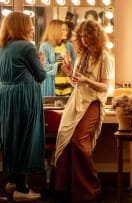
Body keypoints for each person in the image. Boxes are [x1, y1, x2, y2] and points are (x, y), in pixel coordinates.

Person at [53, 20, 113, 202]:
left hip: (93, 102)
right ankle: (67, 187)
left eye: (87, 35)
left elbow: (104, 87)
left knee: (79, 139)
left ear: (95, 36)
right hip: (76, 101)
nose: (84, 39)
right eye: (81, 36)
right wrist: (70, 72)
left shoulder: (104, 57)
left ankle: (90, 187)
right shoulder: (82, 54)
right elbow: (77, 83)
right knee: (65, 137)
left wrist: (86, 80)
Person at [0, 12, 46, 201]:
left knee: (11, 138)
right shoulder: (27, 47)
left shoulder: (3, 47)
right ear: (22, 26)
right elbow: (41, 75)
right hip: (24, 96)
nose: (32, 27)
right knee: (27, 138)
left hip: (6, 95)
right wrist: (41, 62)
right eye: (29, 24)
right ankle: (21, 189)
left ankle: (12, 182)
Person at [39, 19, 76, 96]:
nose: (66, 32)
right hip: (52, 85)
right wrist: (60, 64)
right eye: (63, 30)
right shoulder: (45, 46)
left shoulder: (69, 46)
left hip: (68, 85)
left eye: (66, 30)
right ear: (55, 31)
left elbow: (75, 66)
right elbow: (44, 67)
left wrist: (69, 62)